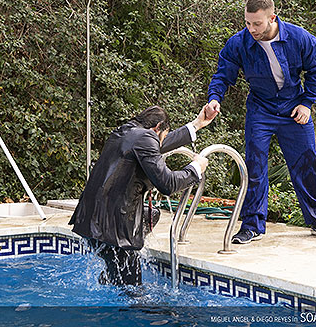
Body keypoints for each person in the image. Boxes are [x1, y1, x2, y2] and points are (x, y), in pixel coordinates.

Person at [204, 0, 316, 245]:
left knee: (307, 163)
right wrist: (214, 98)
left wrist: (307, 103)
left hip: (293, 107)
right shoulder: (239, 43)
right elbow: (222, 74)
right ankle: (252, 226)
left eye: (257, 23)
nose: (252, 29)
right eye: (247, 23)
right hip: (261, 109)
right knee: (254, 165)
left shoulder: (299, 38)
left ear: (272, 18)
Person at [69, 105, 213, 286]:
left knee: (151, 215)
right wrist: (195, 168)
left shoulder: (126, 131)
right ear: (158, 127)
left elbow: (158, 145)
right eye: (165, 134)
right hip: (113, 229)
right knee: (132, 292)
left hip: (90, 221)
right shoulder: (145, 138)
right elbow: (167, 184)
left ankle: (112, 276)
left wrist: (197, 124)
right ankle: (119, 280)